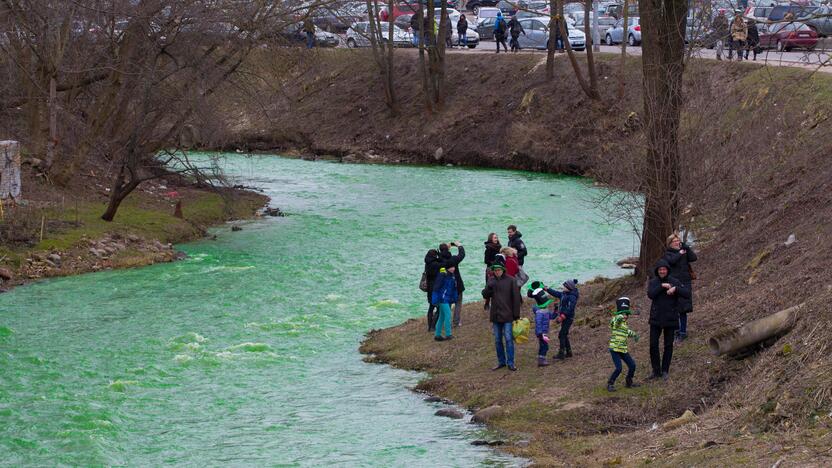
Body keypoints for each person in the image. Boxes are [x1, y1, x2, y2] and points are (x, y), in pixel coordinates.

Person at [647, 259, 690, 381]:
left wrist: (675, 289)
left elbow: (687, 293)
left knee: (668, 345)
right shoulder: (654, 282)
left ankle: (665, 370)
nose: (662, 271)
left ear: (667, 270)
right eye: (660, 270)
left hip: (670, 318)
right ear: (657, 271)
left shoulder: (674, 281)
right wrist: (661, 286)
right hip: (655, 318)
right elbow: (650, 294)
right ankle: (656, 371)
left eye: (664, 269)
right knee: (653, 345)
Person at [482, 263, 521, 371]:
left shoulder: (511, 280)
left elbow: (516, 298)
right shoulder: (491, 280)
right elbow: (485, 295)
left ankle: (511, 362)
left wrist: (516, 315)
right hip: (495, 315)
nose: (497, 271)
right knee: (498, 340)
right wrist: (488, 288)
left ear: (503, 270)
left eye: (499, 270)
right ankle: (501, 362)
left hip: (508, 315)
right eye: (495, 270)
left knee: (508, 339)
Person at [662, 234, 698, 342]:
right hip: (673, 282)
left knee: (684, 308)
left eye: (678, 241)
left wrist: (686, 247)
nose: (677, 243)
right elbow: (671, 261)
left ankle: (683, 332)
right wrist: (680, 253)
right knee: (675, 308)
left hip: (685, 282)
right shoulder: (667, 254)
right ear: (670, 244)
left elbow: (694, 258)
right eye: (675, 241)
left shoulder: (684, 251)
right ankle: (676, 330)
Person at [607, 297, 640, 392]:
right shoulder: (615, 322)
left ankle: (629, 381)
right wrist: (620, 315)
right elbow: (615, 321)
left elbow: (627, 332)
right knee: (619, 368)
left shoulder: (624, 325)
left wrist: (635, 335)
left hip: (623, 349)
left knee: (632, 365)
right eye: (623, 314)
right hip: (615, 349)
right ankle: (610, 383)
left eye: (626, 314)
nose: (625, 316)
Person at [545, 279, 579, 360]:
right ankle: (569, 352)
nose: (563, 287)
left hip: (568, 318)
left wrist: (562, 316)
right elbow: (556, 293)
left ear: (568, 287)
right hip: (565, 317)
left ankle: (561, 354)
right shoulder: (564, 293)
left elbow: (570, 308)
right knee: (564, 334)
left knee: (561, 335)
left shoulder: (572, 296)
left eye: (564, 286)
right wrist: (547, 289)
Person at [528, 281, 557, 367]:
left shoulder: (546, 311)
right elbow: (538, 324)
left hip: (544, 332)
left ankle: (542, 359)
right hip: (541, 333)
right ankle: (541, 360)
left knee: (544, 346)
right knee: (545, 346)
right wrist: (540, 334)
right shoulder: (539, 313)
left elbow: (552, 317)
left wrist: (556, 310)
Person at [439, 242, 466, 327]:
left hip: (446, 286)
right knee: (458, 303)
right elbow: (462, 255)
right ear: (448, 250)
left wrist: (446, 248)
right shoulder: (453, 259)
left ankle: (447, 322)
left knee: (448, 304)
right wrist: (459, 245)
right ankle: (456, 321)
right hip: (457, 284)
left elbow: (442, 255)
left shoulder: (439, 260)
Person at [431, 266, 458, 341]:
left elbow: (453, 289)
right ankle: (448, 334)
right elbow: (436, 288)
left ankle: (437, 335)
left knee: (442, 316)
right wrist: (435, 300)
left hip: (446, 299)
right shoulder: (443, 275)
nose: (453, 269)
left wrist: (454, 298)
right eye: (451, 267)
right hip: (442, 299)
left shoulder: (452, 276)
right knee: (448, 315)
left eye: (454, 267)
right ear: (447, 268)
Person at [424, 248, 442, 331]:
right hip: (436, 288)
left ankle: (429, 326)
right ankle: (433, 326)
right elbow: (443, 264)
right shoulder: (435, 264)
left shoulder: (427, 263)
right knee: (438, 308)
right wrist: (440, 256)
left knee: (431, 307)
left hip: (429, 287)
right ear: (435, 255)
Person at [483, 233, 502, 310]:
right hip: (490, 269)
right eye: (494, 238)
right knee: (489, 286)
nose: (496, 239)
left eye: (496, 238)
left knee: (499, 286)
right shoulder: (488, 248)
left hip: (499, 269)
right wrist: (494, 263)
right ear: (491, 239)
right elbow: (486, 261)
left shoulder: (499, 247)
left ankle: (497, 303)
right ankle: (487, 303)